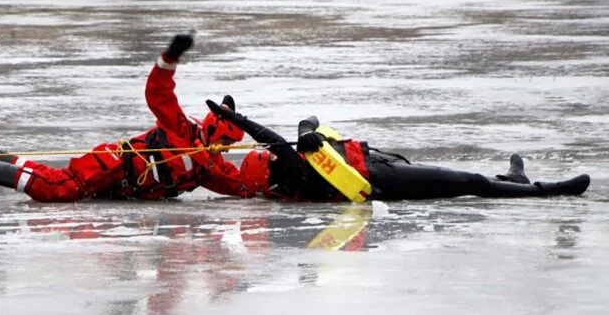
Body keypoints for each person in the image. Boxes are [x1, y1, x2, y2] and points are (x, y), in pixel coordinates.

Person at [0, 34, 249, 202]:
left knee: (48, 174)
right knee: (56, 188)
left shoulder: (210, 168)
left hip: (117, 186)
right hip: (112, 165)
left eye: (230, 145)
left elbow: (241, 186)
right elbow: (159, 93)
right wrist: (169, 58)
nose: (225, 149)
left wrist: (285, 183)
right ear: (213, 128)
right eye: (224, 141)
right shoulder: (182, 129)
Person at [205, 100, 591, 201]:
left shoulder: (295, 167)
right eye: (267, 159)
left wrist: (307, 130)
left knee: (469, 180)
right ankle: (542, 191)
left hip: (379, 164)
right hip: (384, 182)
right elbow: (271, 138)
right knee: (470, 182)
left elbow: (310, 119)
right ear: (269, 169)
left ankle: (512, 181)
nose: (272, 155)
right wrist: (233, 118)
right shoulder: (297, 175)